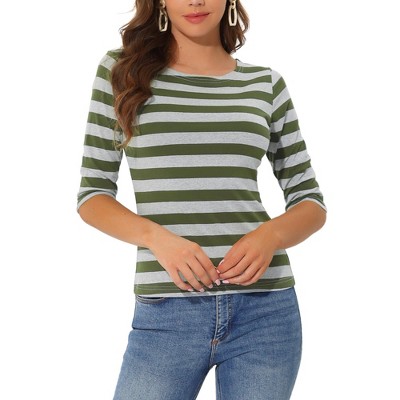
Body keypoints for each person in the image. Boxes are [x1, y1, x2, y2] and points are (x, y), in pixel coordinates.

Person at [77, 0, 327, 398]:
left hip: (266, 310)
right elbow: (92, 194)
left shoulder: (265, 84)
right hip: (167, 313)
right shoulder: (122, 72)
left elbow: (309, 199)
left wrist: (271, 236)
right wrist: (158, 239)